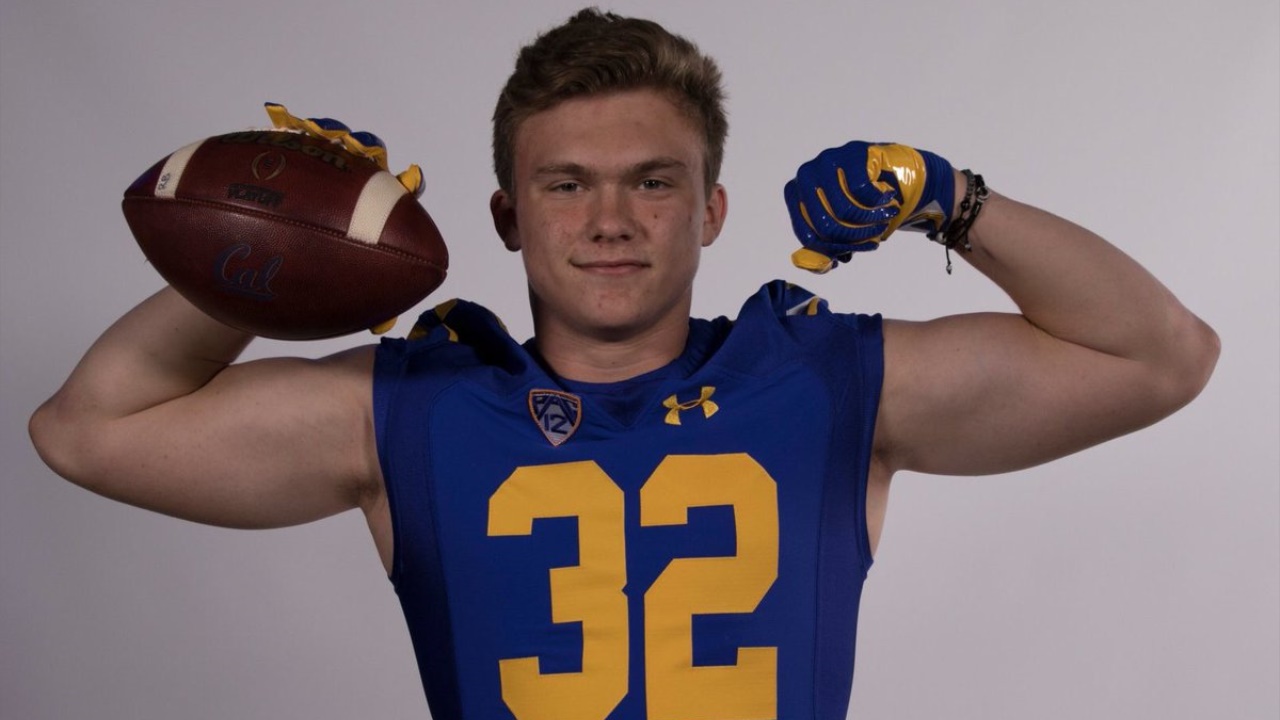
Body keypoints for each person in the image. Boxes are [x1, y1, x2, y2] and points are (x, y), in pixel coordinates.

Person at [28, 7, 1218, 719]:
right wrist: (271, 253)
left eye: (651, 182)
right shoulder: (406, 408)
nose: (608, 221)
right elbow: (86, 432)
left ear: (708, 211)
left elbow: (1158, 355)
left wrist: (950, 201)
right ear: (507, 217)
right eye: (566, 185)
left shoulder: (825, 383)